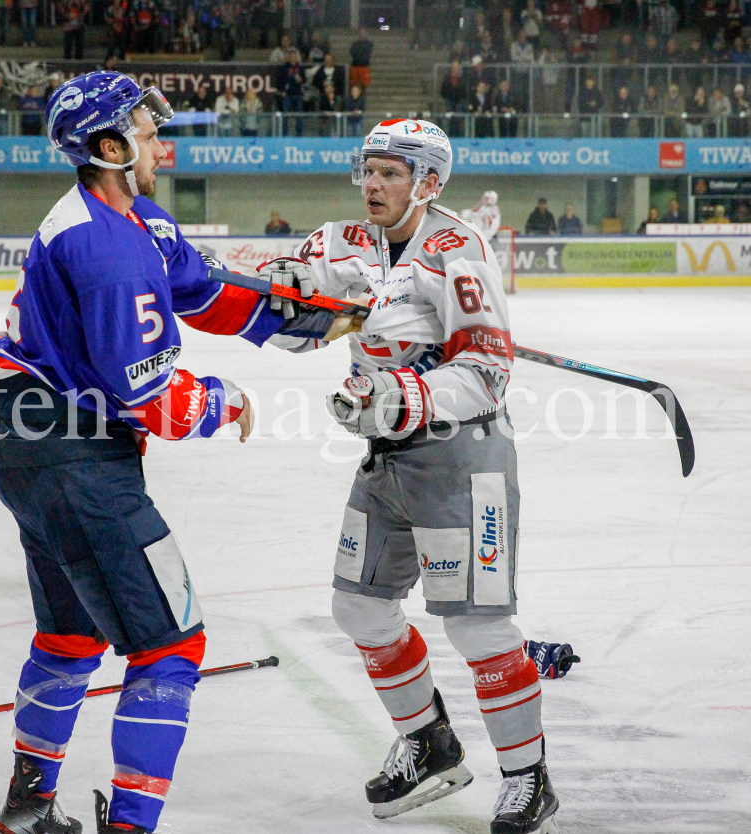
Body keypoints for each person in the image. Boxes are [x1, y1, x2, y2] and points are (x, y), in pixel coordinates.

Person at [0, 71, 343, 834]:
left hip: (33, 453)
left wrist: (308, 318)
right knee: (171, 646)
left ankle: (25, 813)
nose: (160, 143)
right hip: (79, 461)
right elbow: (142, 391)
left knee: (69, 636)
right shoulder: (104, 247)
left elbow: (206, 290)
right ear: (110, 148)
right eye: (145, 134)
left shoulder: (131, 221)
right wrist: (223, 401)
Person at [272, 118, 560, 833]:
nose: (371, 184)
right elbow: (291, 334)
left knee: (478, 627)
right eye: (367, 170)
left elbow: (488, 371)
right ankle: (429, 742)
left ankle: (530, 779)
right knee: (359, 606)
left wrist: (407, 395)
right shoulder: (339, 241)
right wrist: (290, 302)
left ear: (427, 182)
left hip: (462, 456)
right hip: (386, 457)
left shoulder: (456, 249)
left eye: (390, 173)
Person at [349, 27, 373, 91]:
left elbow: (367, 53)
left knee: (364, 84)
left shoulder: (369, 43)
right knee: (353, 83)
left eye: (363, 33)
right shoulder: (355, 44)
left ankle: (362, 98)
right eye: (360, 33)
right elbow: (352, 52)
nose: (362, 34)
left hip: (364, 66)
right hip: (355, 65)